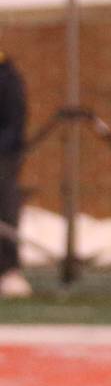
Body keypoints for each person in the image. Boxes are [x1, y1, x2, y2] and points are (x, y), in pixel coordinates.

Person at [0, 49, 30, 298]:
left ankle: (8, 269)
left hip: (3, 156)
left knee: (5, 207)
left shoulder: (6, 74)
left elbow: (14, 124)